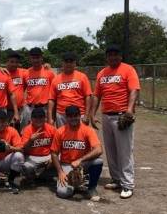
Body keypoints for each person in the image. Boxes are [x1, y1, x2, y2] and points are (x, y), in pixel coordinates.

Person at [90, 44, 140, 199]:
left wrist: (129, 109)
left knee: (124, 151)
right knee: (111, 151)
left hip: (121, 116)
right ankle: (117, 179)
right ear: (107, 57)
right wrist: (92, 114)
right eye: (110, 54)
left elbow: (134, 90)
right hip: (106, 115)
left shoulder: (128, 69)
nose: (113, 57)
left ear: (120, 56)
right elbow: (97, 95)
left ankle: (127, 184)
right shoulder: (102, 73)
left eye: (115, 54)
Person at [51, 105, 103, 201]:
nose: (73, 118)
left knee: (98, 162)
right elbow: (54, 153)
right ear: (66, 117)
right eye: (70, 116)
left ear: (80, 116)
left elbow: (99, 150)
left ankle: (91, 188)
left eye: (75, 115)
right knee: (63, 193)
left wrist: (80, 159)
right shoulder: (60, 131)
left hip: (82, 164)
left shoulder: (87, 130)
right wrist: (60, 172)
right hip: (67, 165)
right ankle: (78, 183)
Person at [48, 52, 92, 127]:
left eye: (71, 61)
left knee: (79, 138)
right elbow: (51, 99)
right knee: (62, 137)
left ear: (75, 63)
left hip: (78, 114)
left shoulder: (82, 77)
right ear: (62, 63)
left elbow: (88, 96)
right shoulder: (56, 79)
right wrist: (50, 118)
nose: (68, 64)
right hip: (61, 115)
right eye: (66, 61)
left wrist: (87, 115)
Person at [20, 107, 56, 185]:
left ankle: (46, 177)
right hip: (32, 157)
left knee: (59, 158)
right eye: (35, 117)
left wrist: (53, 157)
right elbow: (24, 150)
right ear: (31, 118)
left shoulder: (51, 129)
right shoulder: (27, 130)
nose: (38, 119)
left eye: (41, 117)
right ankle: (32, 178)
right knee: (26, 167)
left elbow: (57, 146)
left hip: (48, 156)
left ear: (45, 118)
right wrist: (31, 140)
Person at [21, 47, 55, 128]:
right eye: (33, 58)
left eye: (37, 57)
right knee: (28, 131)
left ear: (41, 58)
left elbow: (55, 90)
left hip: (45, 108)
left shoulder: (49, 73)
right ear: (30, 59)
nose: (35, 60)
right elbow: (22, 89)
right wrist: (24, 103)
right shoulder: (26, 73)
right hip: (30, 108)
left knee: (46, 131)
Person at [5, 50, 27, 131]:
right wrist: (0, 68)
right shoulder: (3, 73)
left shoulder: (23, 72)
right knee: (8, 132)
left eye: (16, 62)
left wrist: (45, 66)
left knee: (21, 132)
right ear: (7, 61)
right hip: (8, 111)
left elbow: (35, 72)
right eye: (12, 61)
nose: (14, 64)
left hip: (21, 109)